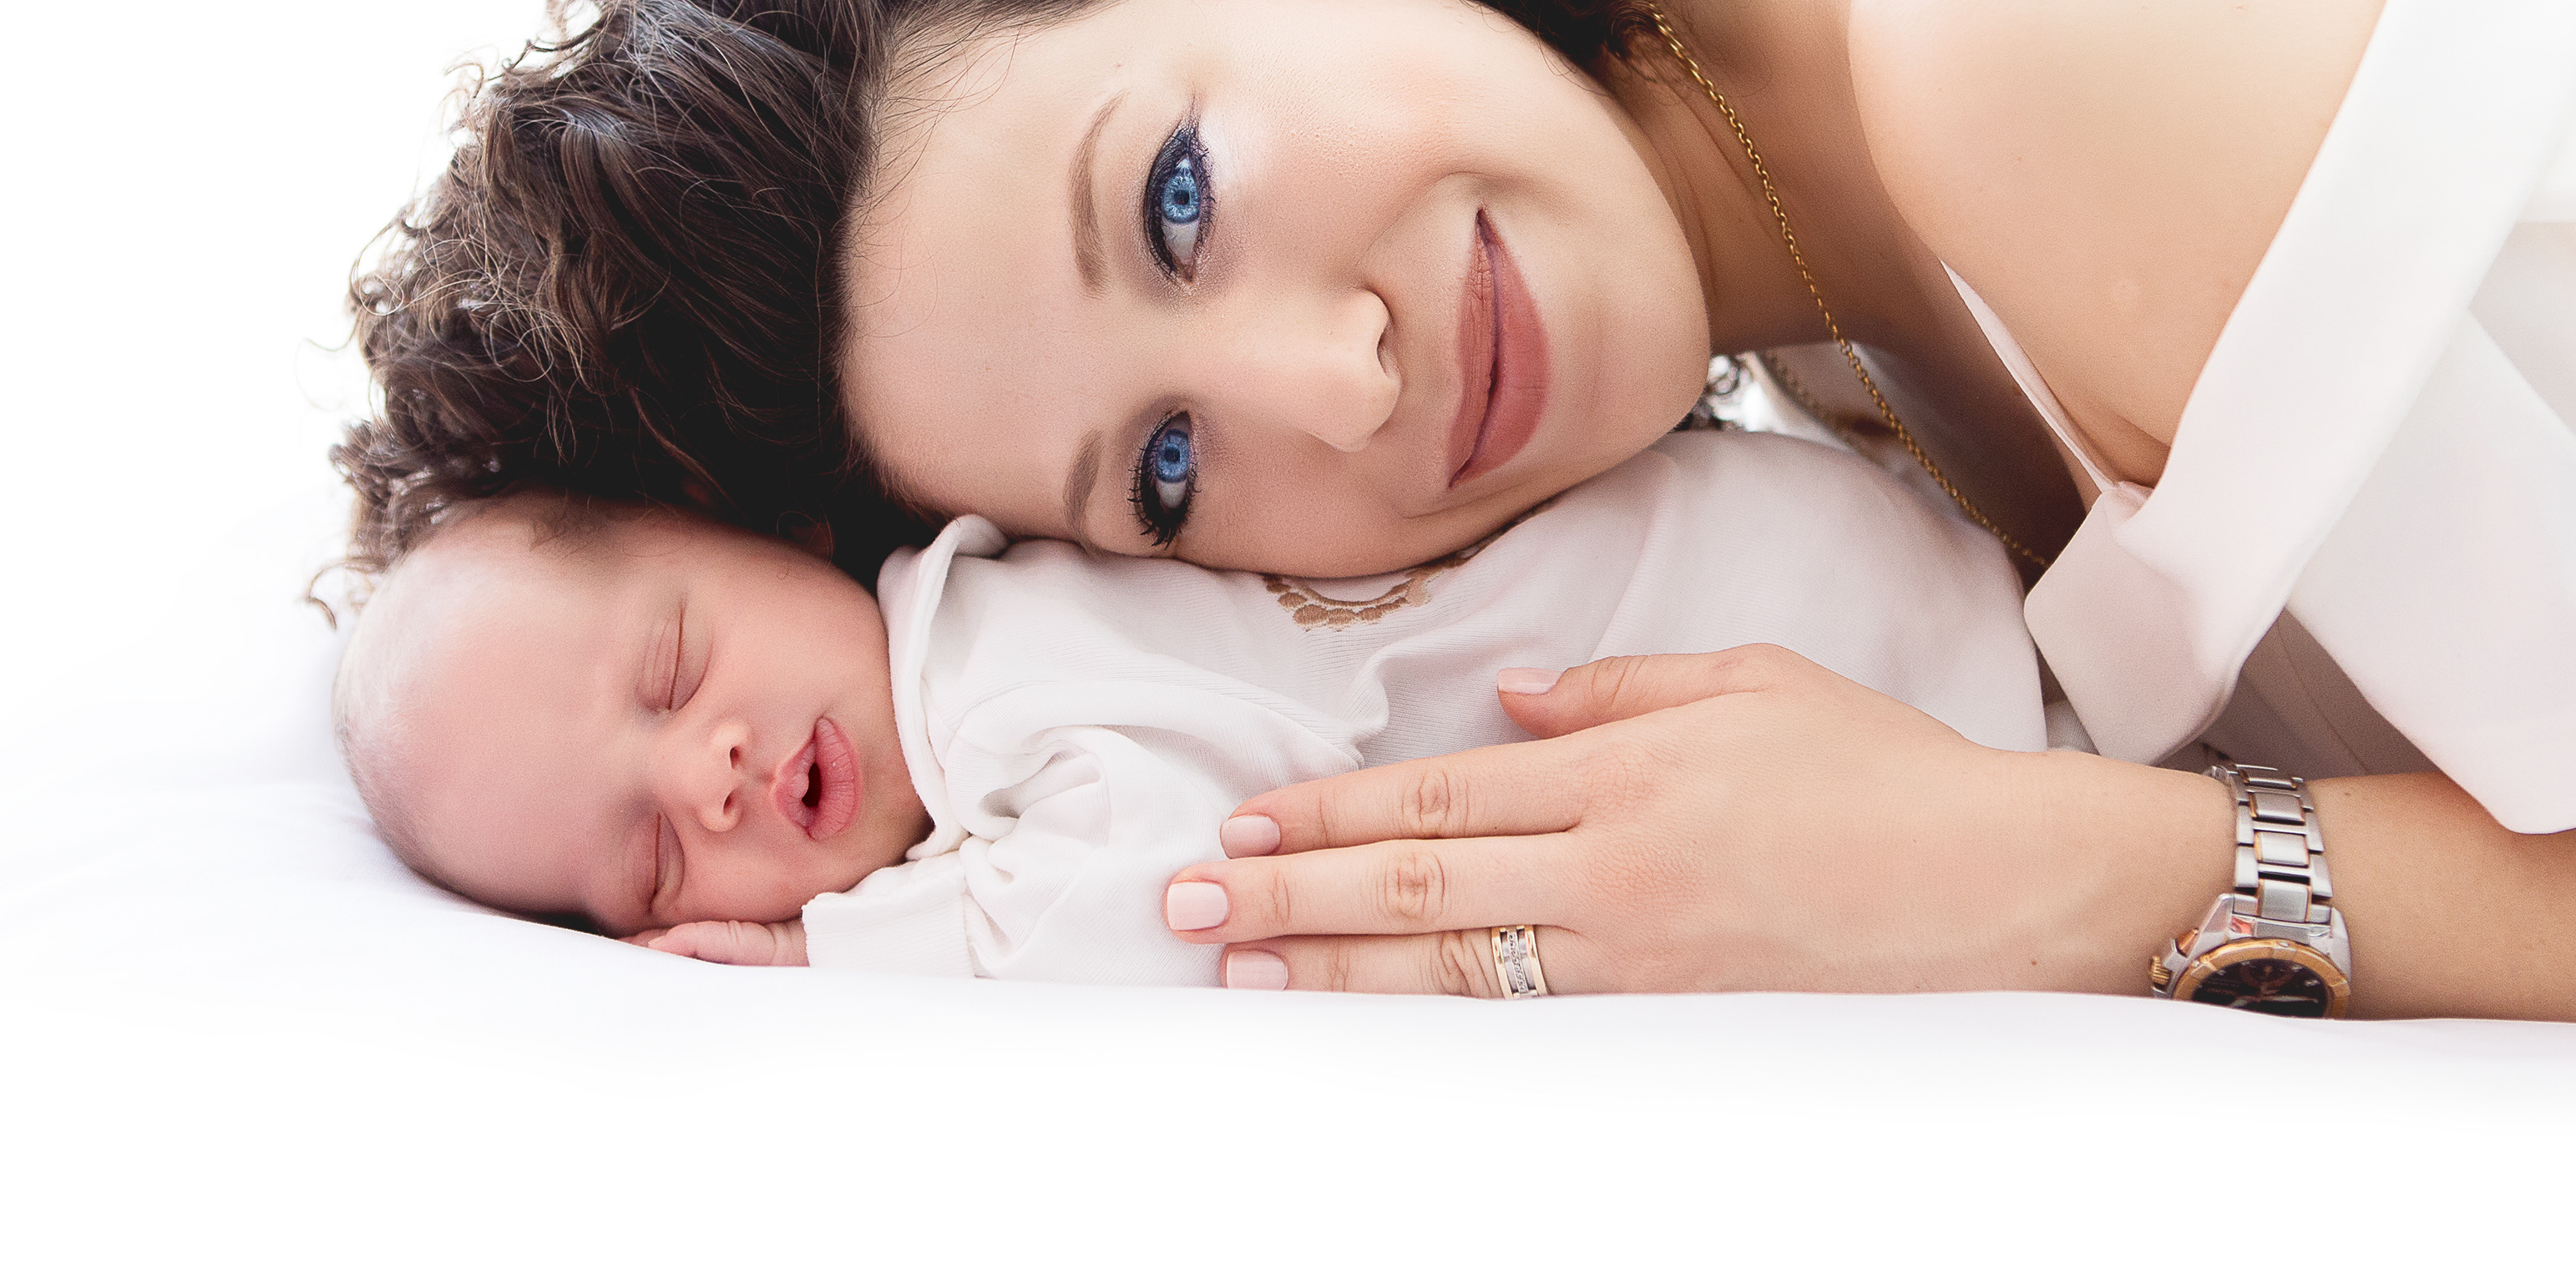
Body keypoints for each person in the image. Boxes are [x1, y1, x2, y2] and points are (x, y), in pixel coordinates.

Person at [339, 0, 2576, 1053]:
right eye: (1165, 471)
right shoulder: (1813, 331)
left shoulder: (2020, 28)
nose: (1337, 384)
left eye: (1177, 193)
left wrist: (2063, 878)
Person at [332, 425, 2055, 988]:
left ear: (768, 531)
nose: (705, 773)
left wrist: (832, 953)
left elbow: (1179, 889)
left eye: (671, 669)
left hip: (1833, 631)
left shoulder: (986, 650)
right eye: (648, 859)